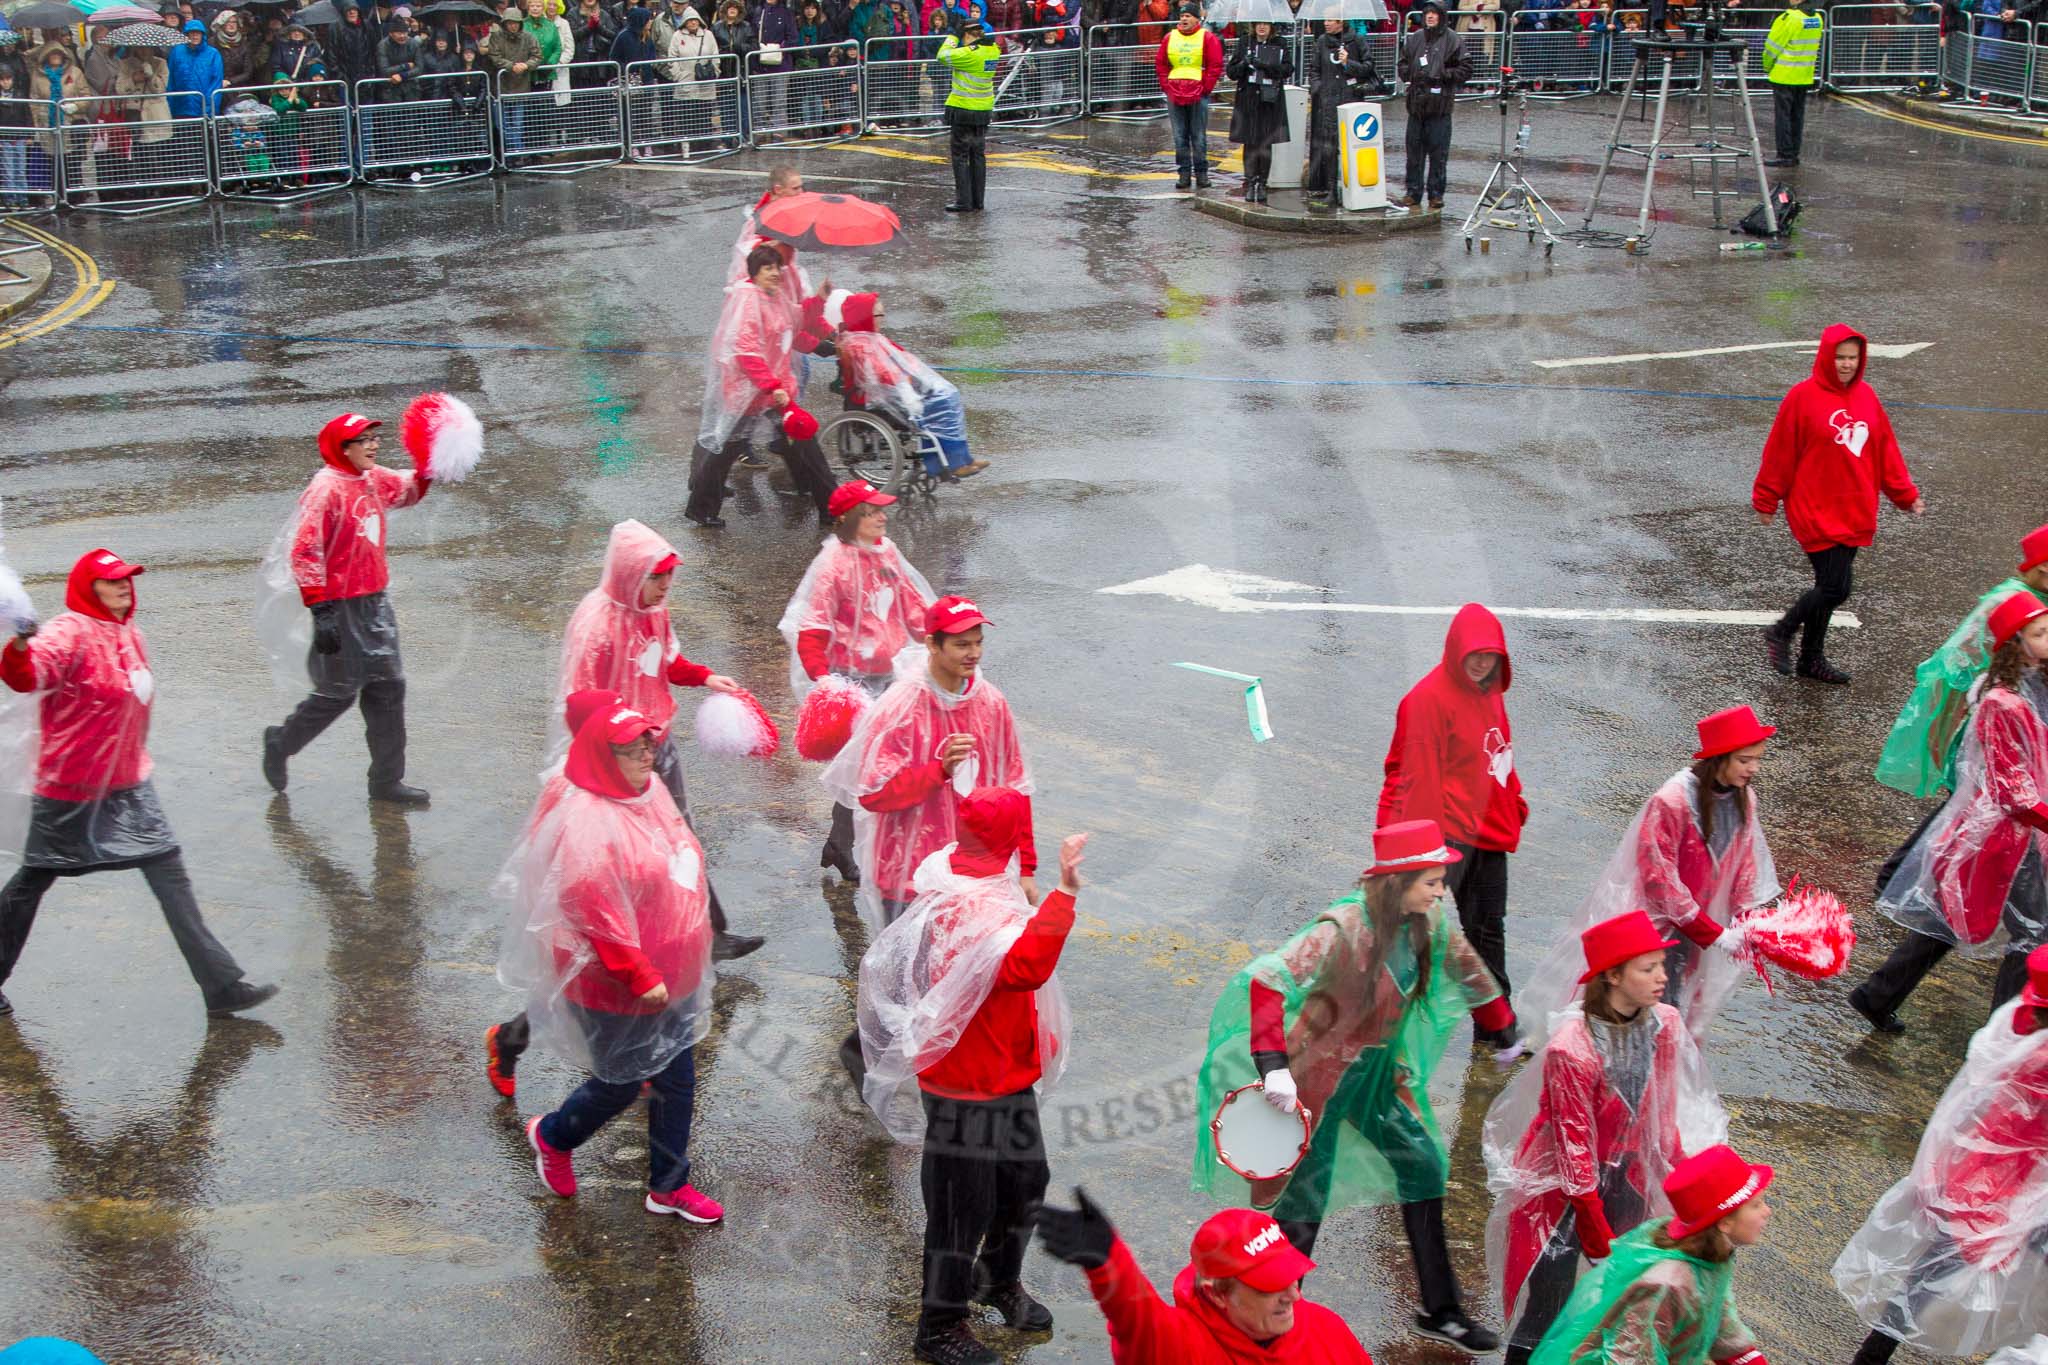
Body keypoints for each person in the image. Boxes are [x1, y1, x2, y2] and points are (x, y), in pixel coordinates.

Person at [1192, 819, 1523, 1353]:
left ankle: (1440, 1310)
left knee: (1425, 1168)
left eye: (1441, 881)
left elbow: (1468, 968)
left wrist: (1501, 1022)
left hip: (1377, 1076)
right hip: (1316, 1077)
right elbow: (1267, 979)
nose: (1441, 891)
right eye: (1432, 881)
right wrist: (1274, 1064)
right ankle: (1273, 1324)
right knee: (1305, 1204)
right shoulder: (1343, 926)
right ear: (1398, 882)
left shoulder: (1431, 921)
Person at [0, 549, 279, 1020]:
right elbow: (25, 677)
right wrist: (21, 643)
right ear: (89, 588)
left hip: (129, 783)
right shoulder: (68, 632)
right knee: (34, 879)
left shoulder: (131, 633)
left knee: (169, 872)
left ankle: (221, 985)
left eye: (127, 580)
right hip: (73, 787)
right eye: (112, 582)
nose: (124, 587)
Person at [857, 790, 1084, 1365]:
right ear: (1009, 837)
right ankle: (938, 1327)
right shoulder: (973, 903)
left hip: (1003, 1072)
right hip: (964, 1082)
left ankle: (996, 1279)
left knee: (1026, 1181)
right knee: (961, 1208)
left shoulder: (966, 874)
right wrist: (1065, 894)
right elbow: (1024, 968)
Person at [498, 698, 725, 1224]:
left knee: (676, 1078)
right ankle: (553, 1136)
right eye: (632, 747)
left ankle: (669, 1186)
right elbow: (591, 909)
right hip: (619, 985)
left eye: (649, 741)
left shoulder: (646, 789)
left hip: (676, 970)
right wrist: (639, 974)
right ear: (603, 754)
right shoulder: (589, 822)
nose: (649, 753)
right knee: (621, 1081)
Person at [1484, 911, 1729, 1365]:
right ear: (1612, 976)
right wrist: (1595, 1231)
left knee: (1619, 1300)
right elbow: (1573, 1148)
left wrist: (1685, 1175)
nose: (1662, 978)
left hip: (1627, 1175)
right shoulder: (1571, 1049)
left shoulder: (1665, 1025)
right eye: (1648, 968)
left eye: (1661, 965)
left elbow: (1661, 1113)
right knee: (1548, 1302)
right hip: (1560, 1192)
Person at [551, 520, 763, 961]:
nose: (665, 585)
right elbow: (579, 703)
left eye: (669, 575)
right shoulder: (596, 627)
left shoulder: (654, 613)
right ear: (630, 573)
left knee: (678, 837)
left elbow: (665, 661)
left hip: (657, 743)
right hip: (619, 757)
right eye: (656, 576)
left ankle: (706, 932)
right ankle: (636, 943)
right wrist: (613, 759)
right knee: (637, 854)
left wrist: (705, 676)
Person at [1834, 944, 2048, 1365]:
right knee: (1943, 1264)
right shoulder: (2035, 1052)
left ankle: (1875, 1350)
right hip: (2017, 1178)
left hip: (1986, 1168)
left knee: (1934, 1264)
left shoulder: (2015, 1026)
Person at [1516, 707, 1781, 1046]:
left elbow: (1745, 863)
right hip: (1658, 926)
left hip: (1699, 929)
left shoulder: (1745, 800)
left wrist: (1748, 917)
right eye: (1745, 760)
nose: (1753, 769)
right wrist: (1711, 931)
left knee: (1677, 999)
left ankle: (1658, 1066)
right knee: (1643, 998)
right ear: (1720, 758)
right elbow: (1659, 878)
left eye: (1757, 759)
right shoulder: (1672, 801)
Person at [1854, 593, 2048, 1031]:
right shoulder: (2003, 701)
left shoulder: (2036, 683)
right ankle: (2009, 1032)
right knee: (2033, 930)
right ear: (2015, 645)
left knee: (1947, 918)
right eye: (2039, 633)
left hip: (2015, 831)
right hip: (2005, 835)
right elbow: (2011, 789)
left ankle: (1878, 994)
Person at [821, 594, 1035, 933]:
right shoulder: (901, 707)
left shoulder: (992, 704)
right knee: (908, 978)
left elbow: (1016, 790)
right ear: (932, 644)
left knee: (967, 977)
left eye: (979, 643)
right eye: (962, 644)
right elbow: (872, 794)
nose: (974, 653)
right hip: (909, 876)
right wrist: (939, 772)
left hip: (976, 875)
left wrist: (1026, 870)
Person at [258, 411, 431, 806]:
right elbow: (304, 551)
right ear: (343, 448)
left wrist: (430, 467)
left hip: (375, 602)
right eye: (363, 440)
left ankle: (386, 781)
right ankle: (280, 742)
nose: (372, 446)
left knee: (388, 688)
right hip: (340, 606)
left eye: (374, 439)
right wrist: (321, 611)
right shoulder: (327, 489)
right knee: (338, 691)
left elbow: (407, 491)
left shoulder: (370, 478)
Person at [776, 479, 937, 883]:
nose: (883, 516)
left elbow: (914, 608)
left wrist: (943, 636)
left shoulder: (887, 552)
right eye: (872, 511)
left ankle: (850, 842)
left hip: (888, 675)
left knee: (897, 762)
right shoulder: (835, 565)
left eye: (882, 509)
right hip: (851, 683)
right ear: (850, 518)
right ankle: (853, 846)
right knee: (860, 769)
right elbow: (811, 631)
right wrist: (827, 683)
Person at [1754, 325, 1924, 686]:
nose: (1846, 364)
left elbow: (1885, 451)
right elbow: (1780, 452)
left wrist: (1904, 495)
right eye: (1840, 357)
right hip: (1815, 507)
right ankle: (1781, 631)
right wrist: (1767, 497)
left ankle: (1811, 659)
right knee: (1836, 586)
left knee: (1828, 586)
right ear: (1826, 357)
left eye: (1853, 358)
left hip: (1855, 507)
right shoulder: (1802, 398)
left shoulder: (1867, 396)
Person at [1377, 602, 1525, 999]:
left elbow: (1497, 754)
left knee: (1488, 929)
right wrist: (1419, 856)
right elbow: (1415, 780)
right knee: (1415, 936)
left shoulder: (1489, 692)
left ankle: (1498, 1029)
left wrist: (1514, 800)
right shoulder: (1426, 701)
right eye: (1473, 654)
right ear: (1456, 650)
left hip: (1485, 835)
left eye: (1490, 655)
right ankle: (1391, 1029)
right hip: (1446, 839)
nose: (1481, 663)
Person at [483, 687, 625, 1099]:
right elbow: (552, 857)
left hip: (614, 905)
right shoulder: (571, 783)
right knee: (571, 990)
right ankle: (511, 1040)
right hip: (578, 913)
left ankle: (628, 1065)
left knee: (572, 990)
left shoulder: (612, 768)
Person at [1034, 1196, 1376, 1363]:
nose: (1294, 1297)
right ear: (1217, 1294)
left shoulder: (1326, 1328)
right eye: (1269, 1285)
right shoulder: (1179, 1347)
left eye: (1292, 1278)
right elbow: (1137, 1319)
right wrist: (1109, 1261)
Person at [1527, 1143, 1773, 1365]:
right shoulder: (1667, 1285)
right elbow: (1629, 1358)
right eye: (1756, 1204)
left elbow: (1723, 1331)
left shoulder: (1712, 1258)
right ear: (1724, 1222)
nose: (1767, 1212)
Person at [1876, 524, 2048, 801]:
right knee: (1977, 794)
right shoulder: (2009, 600)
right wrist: (1941, 737)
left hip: (2027, 711)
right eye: (2041, 632)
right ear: (2043, 568)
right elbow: (1960, 664)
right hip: (1997, 716)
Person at [684, 244, 839, 529]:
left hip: (774, 390)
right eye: (767, 268)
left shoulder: (775, 297)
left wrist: (819, 298)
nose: (774, 273)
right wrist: (770, 385)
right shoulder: (747, 301)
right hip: (751, 392)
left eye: (777, 268)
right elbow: (744, 350)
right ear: (754, 273)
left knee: (803, 440)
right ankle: (701, 507)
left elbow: (795, 321)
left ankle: (829, 505)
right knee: (727, 450)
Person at [832, 291, 989, 482]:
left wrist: (917, 376)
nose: (882, 320)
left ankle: (961, 459)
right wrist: (908, 384)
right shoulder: (858, 344)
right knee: (942, 403)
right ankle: (953, 464)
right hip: (880, 400)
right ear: (865, 317)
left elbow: (901, 360)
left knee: (948, 395)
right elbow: (881, 374)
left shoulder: (870, 338)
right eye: (878, 316)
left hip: (891, 392)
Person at [1397, 0, 1466, 210]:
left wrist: (1444, 75)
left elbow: (1465, 69)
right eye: (1427, 13)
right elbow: (1403, 63)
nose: (1430, 16)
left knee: (1438, 154)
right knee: (1414, 153)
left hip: (1440, 106)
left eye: (1434, 13)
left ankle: (1436, 194)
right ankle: (1412, 192)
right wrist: (1413, 74)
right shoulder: (1415, 38)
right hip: (1416, 105)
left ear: (1442, 16)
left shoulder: (1453, 40)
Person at [1303, 16, 1374, 208]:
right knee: (1330, 148)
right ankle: (1331, 190)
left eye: (1331, 20)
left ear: (1341, 22)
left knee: (1351, 148)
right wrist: (1318, 89)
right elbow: (1314, 70)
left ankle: (1353, 189)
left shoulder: (1357, 40)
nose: (1326, 23)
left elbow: (1368, 68)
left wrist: (1347, 63)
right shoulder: (1321, 42)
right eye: (1325, 20)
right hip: (1327, 102)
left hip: (1351, 100)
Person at [1153, 3, 1221, 191]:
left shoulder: (1207, 38)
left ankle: (1201, 173)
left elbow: (1215, 65)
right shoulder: (1169, 37)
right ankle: (1184, 174)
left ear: (1197, 19)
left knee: (1198, 136)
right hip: (1175, 93)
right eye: (1182, 16)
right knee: (1179, 136)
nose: (1184, 19)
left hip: (1198, 94)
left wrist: (1205, 88)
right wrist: (1167, 87)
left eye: (1189, 16)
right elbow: (1161, 64)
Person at [936, 13, 999, 211]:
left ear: (968, 36)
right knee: (978, 156)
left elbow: (942, 55)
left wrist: (953, 36)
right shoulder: (993, 50)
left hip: (963, 109)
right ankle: (978, 201)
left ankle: (963, 201)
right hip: (983, 110)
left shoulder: (969, 54)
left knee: (960, 157)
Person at [1225, 20, 1290, 204]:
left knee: (1265, 143)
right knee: (1250, 142)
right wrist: (1244, 63)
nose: (1262, 27)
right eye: (1258, 24)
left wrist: (1265, 65)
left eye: (1265, 24)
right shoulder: (1245, 42)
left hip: (1269, 99)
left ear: (1271, 27)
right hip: (1248, 99)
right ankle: (1251, 181)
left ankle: (1263, 183)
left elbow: (1287, 69)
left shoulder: (1280, 43)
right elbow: (1231, 72)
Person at [1759, 0, 1820, 166]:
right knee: (1797, 116)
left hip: (1784, 75)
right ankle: (1793, 153)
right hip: (1804, 75)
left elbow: (1772, 48)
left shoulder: (1789, 18)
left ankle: (1784, 154)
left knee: (1783, 116)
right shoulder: (1817, 18)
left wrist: (1767, 66)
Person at [484, 5, 542, 149]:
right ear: (504, 23)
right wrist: (511, 66)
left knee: (517, 123)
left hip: (520, 86)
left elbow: (537, 56)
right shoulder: (496, 37)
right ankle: (509, 153)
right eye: (510, 23)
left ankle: (517, 153)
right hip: (499, 87)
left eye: (516, 23)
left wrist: (527, 65)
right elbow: (494, 56)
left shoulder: (528, 37)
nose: (513, 26)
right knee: (500, 124)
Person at [165, 18, 223, 116]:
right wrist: (170, 105)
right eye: (191, 33)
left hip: (203, 109)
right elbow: (170, 79)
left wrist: (209, 109)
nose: (195, 35)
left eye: (198, 33)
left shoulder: (213, 54)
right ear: (186, 34)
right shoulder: (177, 52)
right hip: (180, 108)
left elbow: (216, 82)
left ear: (202, 35)